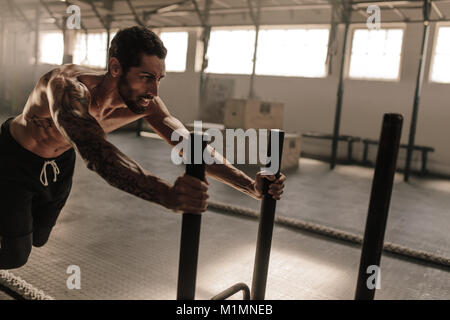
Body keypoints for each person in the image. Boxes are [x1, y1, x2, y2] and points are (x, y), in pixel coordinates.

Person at [0, 26, 286, 269]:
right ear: (115, 68)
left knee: (39, 238)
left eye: (159, 78)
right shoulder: (66, 87)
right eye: (146, 77)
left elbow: (189, 145)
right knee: (15, 256)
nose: (154, 91)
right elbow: (96, 152)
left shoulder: (146, 104)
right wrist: (165, 194)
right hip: (14, 158)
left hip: (60, 165)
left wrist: (251, 187)